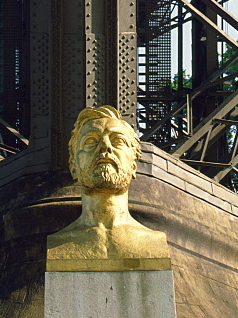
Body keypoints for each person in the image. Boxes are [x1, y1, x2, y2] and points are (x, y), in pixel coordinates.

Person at [47, 106, 169, 261]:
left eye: (118, 140)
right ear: (73, 165)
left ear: (134, 164)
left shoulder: (153, 243)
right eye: (91, 141)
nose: (105, 146)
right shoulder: (59, 244)